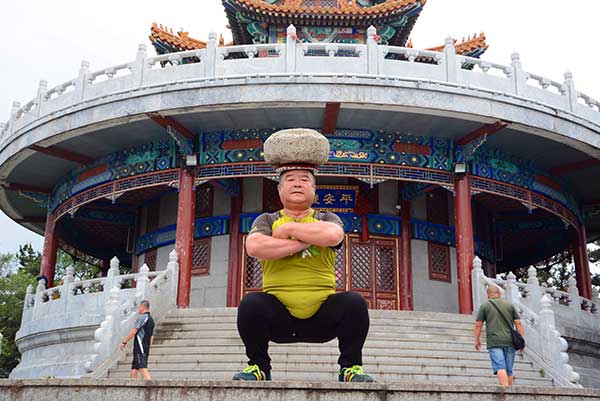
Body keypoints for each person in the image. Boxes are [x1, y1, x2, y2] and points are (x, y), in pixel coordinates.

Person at [232, 168, 374, 382]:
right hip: (279, 318)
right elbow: (254, 246)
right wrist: (307, 240)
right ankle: (259, 367)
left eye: (304, 180)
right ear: (280, 190)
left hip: (322, 317)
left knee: (353, 303)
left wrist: (287, 229)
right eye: (290, 180)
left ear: (314, 189)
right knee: (251, 304)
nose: (297, 184)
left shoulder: (326, 217)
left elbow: (334, 235)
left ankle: (350, 368)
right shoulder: (267, 220)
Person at [474, 286, 525, 386]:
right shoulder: (509, 305)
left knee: (500, 367)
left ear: (488, 295)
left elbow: (478, 324)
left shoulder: (485, 306)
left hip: (495, 341)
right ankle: (511, 394)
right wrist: (522, 340)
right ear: (499, 293)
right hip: (510, 341)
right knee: (509, 370)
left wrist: (477, 340)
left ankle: (505, 394)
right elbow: (518, 323)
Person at [119, 300, 155, 380]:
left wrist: (124, 342)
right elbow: (152, 337)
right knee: (134, 371)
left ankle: (152, 388)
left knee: (143, 369)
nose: (138, 309)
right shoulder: (151, 320)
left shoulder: (142, 317)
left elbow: (133, 332)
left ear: (142, 307)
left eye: (139, 307)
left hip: (140, 348)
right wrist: (147, 347)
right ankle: (132, 390)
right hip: (144, 348)